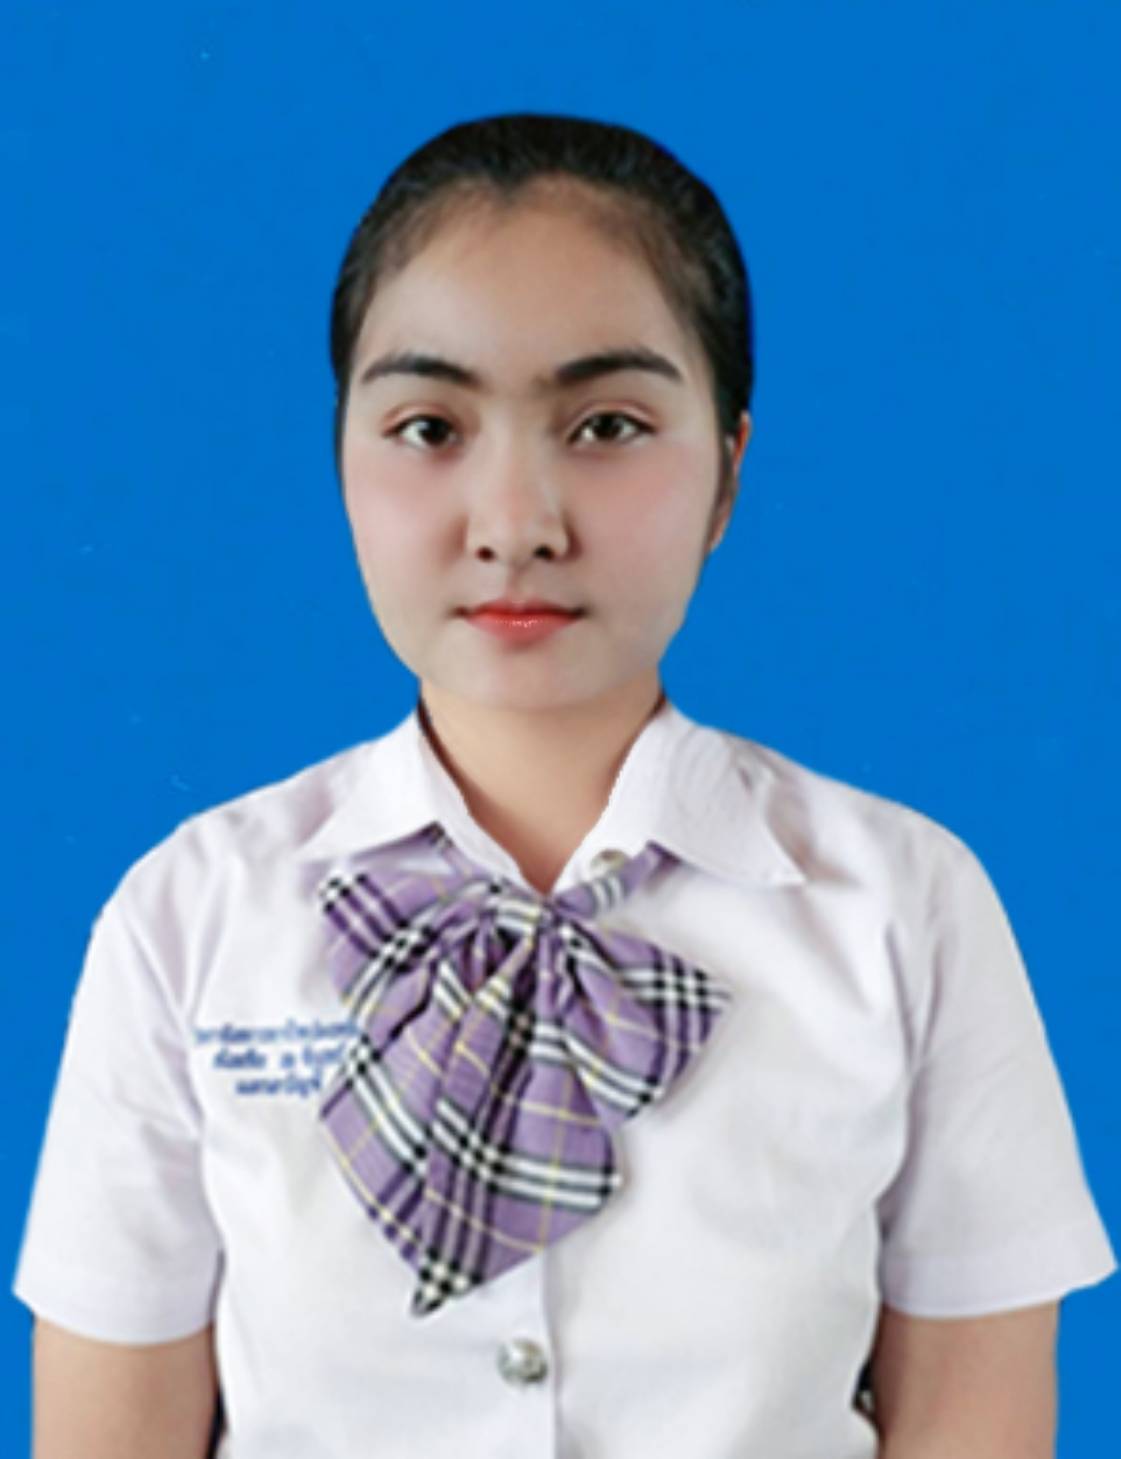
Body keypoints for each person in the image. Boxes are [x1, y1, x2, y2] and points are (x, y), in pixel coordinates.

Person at [12, 111, 1116, 1459]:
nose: (515, 522)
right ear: (342, 459)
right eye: (429, 426)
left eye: (606, 425)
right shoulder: (188, 916)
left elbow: (973, 1423)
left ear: (728, 471)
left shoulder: (908, 905)